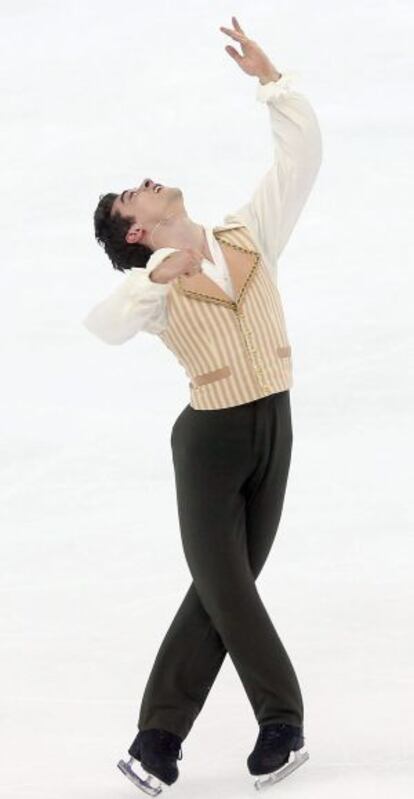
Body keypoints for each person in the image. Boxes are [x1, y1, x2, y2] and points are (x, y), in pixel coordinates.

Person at [83, 16, 322, 795]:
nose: (145, 182)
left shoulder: (246, 233)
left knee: (227, 584)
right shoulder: (149, 290)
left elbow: (302, 158)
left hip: (275, 425)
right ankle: (280, 720)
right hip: (210, 440)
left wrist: (271, 79)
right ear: (138, 230)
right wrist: (152, 277)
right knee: (227, 584)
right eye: (132, 196)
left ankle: (156, 744)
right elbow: (105, 327)